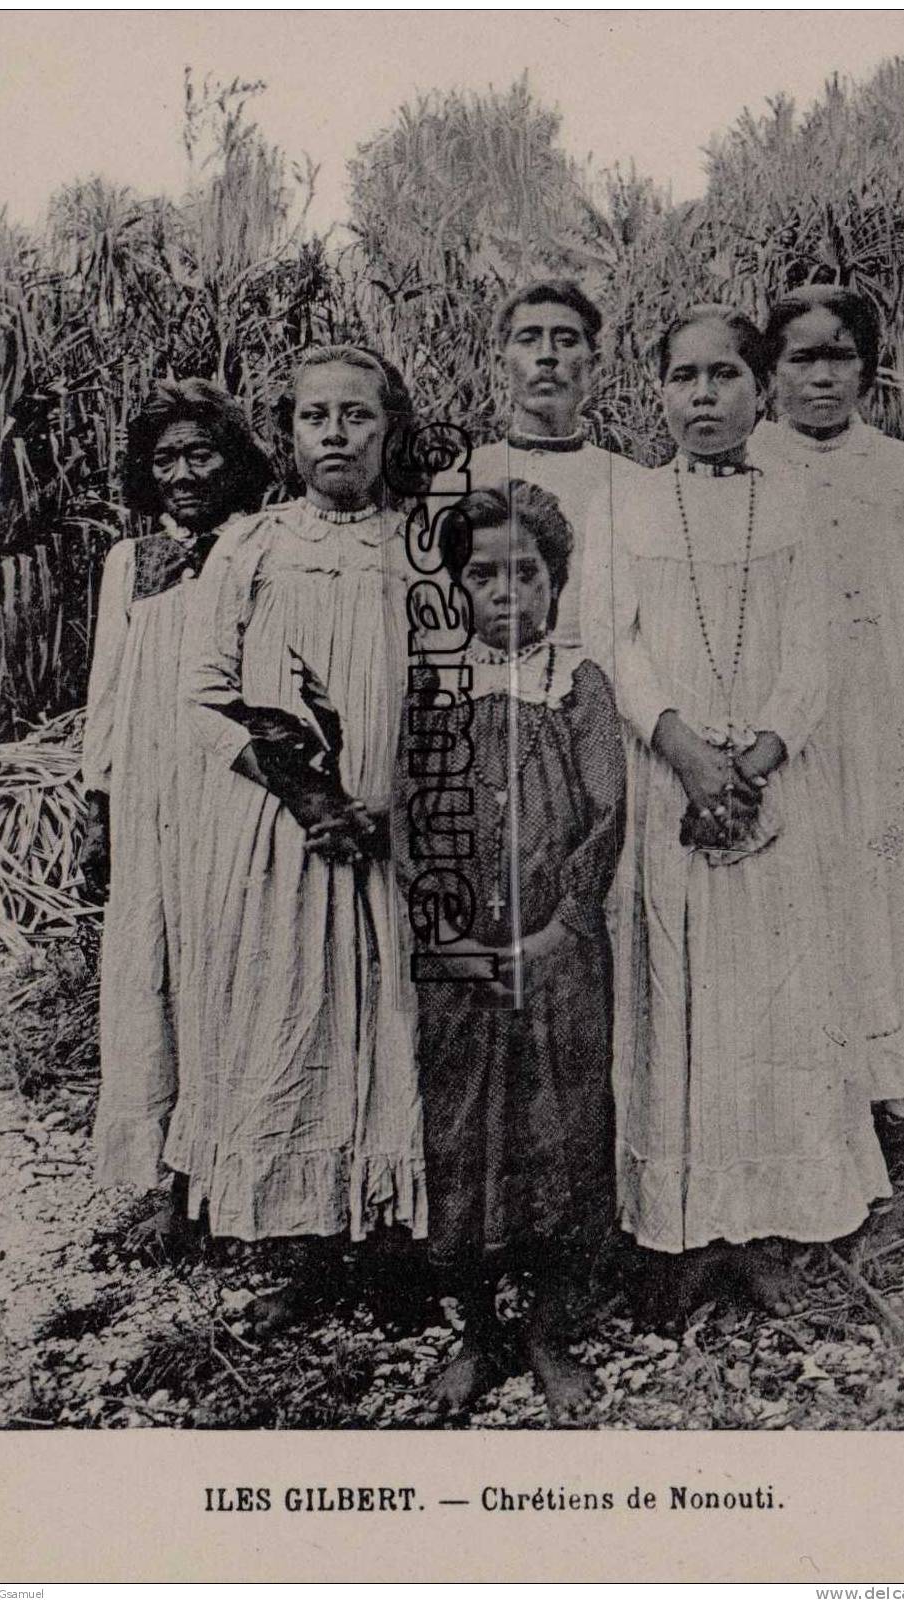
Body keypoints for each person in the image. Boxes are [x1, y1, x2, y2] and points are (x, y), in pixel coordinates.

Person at [585, 305, 890, 1316]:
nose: (704, 396)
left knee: (774, 1000)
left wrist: (754, 758)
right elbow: (617, 645)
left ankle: (767, 1226)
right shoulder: (628, 505)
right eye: (684, 377)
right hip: (667, 778)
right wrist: (683, 750)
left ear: (760, 390)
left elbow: (817, 652)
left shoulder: (797, 504)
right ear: (658, 389)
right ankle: (678, 1233)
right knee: (674, 998)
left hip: (773, 785)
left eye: (726, 376)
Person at [170, 345, 425, 1335]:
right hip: (285, 834)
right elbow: (202, 695)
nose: (335, 434)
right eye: (315, 417)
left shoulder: (421, 545)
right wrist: (302, 792)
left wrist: (391, 804)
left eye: (356, 415)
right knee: (295, 1014)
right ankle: (312, 1253)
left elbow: (451, 687)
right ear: (288, 435)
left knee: (388, 1021)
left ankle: (394, 1250)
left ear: (388, 429)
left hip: (391, 834)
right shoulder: (253, 546)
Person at [394, 481, 625, 1419]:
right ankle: (481, 1329)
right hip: (458, 960)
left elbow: (604, 816)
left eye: (524, 572)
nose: (504, 592)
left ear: (556, 583)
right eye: (481, 574)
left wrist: (552, 932)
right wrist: (454, 935)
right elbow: (413, 822)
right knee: (461, 1130)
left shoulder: (580, 684)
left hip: (559, 955)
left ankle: (550, 1328)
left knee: (560, 1130)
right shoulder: (437, 689)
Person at [752, 286, 904, 1130]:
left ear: (867, 369)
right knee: (806, 875)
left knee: (890, 876)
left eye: (839, 355)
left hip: (885, 704)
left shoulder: (898, 466)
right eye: (801, 357)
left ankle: (898, 1071)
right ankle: (816, 1079)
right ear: (771, 373)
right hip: (791, 711)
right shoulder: (754, 460)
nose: (821, 376)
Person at [80, 379, 273, 1242]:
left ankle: (239, 1176)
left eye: (203, 454)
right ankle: (173, 1184)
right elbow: (110, 692)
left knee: (231, 972)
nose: (186, 474)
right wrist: (99, 801)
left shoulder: (261, 546)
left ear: (235, 461)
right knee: (151, 974)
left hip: (231, 791)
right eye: (166, 459)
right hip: (152, 799)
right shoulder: (131, 562)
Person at [428, 278, 648, 657]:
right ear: (502, 364)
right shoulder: (458, 480)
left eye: (565, 339)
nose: (547, 356)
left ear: (592, 364)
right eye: (529, 339)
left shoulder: (633, 483)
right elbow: (441, 616)